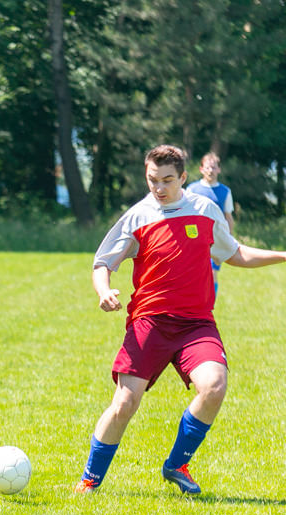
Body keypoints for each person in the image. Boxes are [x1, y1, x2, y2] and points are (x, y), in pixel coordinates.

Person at [74, 144, 286, 495]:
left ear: (183, 178)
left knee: (214, 386)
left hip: (196, 324)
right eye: (152, 180)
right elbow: (103, 262)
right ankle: (89, 480)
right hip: (150, 323)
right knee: (125, 403)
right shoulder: (137, 217)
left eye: (167, 181)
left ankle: (176, 464)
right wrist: (103, 291)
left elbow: (235, 253)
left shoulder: (205, 209)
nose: (159, 188)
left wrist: (283, 254)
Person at [186, 152, 235, 296]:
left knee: (212, 272)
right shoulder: (192, 190)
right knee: (193, 272)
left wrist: (229, 238)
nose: (210, 171)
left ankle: (209, 303)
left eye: (214, 168)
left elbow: (228, 217)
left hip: (215, 239)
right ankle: (193, 301)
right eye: (207, 167)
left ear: (219, 169)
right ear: (201, 169)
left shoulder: (225, 191)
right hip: (194, 238)